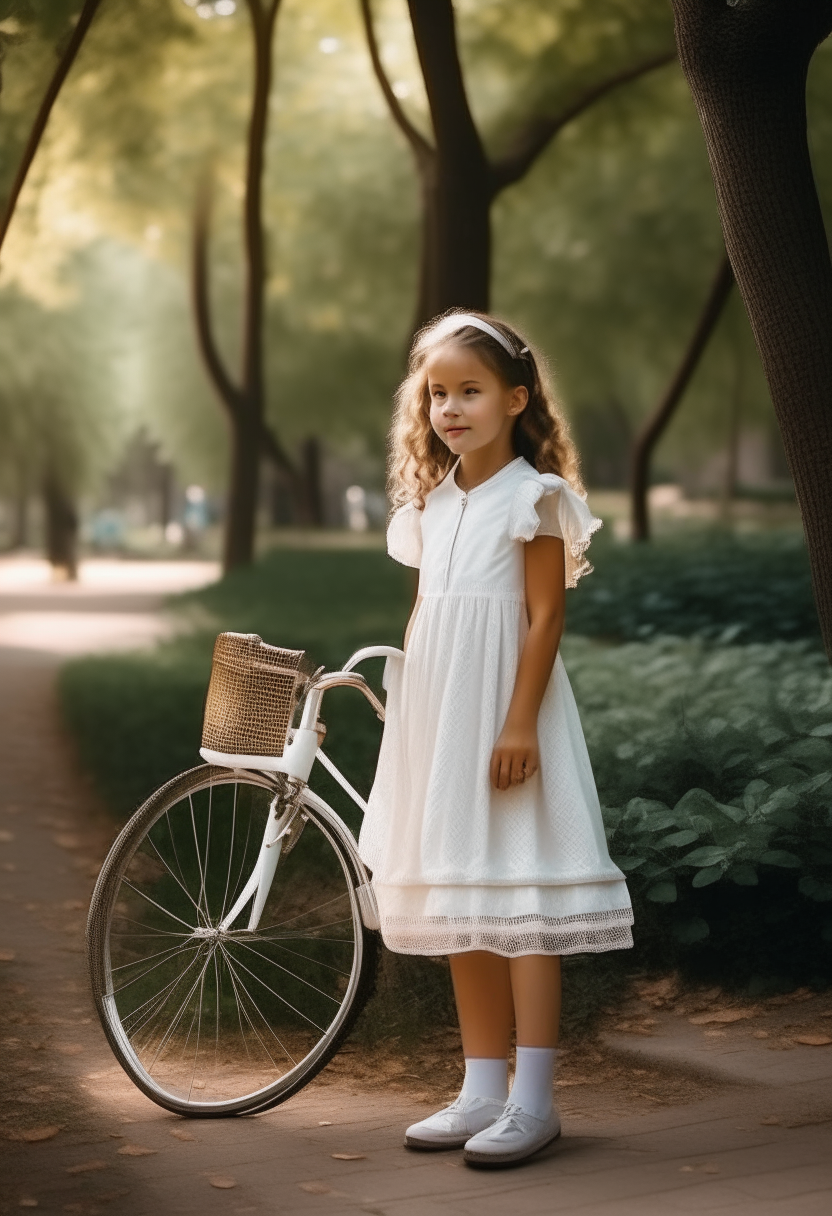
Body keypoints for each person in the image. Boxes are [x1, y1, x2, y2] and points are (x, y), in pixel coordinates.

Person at [358, 311, 634, 1168]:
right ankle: (481, 1086)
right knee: (460, 903)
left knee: (521, 906)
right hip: (442, 715)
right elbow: (423, 616)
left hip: (508, 709)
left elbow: (545, 617)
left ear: (515, 399)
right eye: (437, 393)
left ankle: (534, 1100)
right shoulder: (435, 506)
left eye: (469, 391)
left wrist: (519, 721)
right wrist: (410, 714)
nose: (450, 407)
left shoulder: (535, 498)